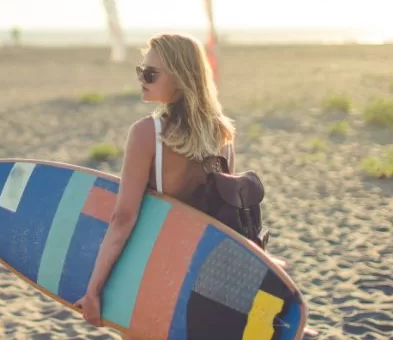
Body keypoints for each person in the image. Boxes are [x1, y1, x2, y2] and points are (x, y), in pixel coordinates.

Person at [73, 33, 315, 338]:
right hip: (204, 277)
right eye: (140, 72)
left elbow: (123, 219)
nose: (142, 80)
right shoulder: (222, 134)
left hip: (157, 272)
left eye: (150, 73)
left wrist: (94, 290)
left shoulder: (147, 134)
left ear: (180, 77)